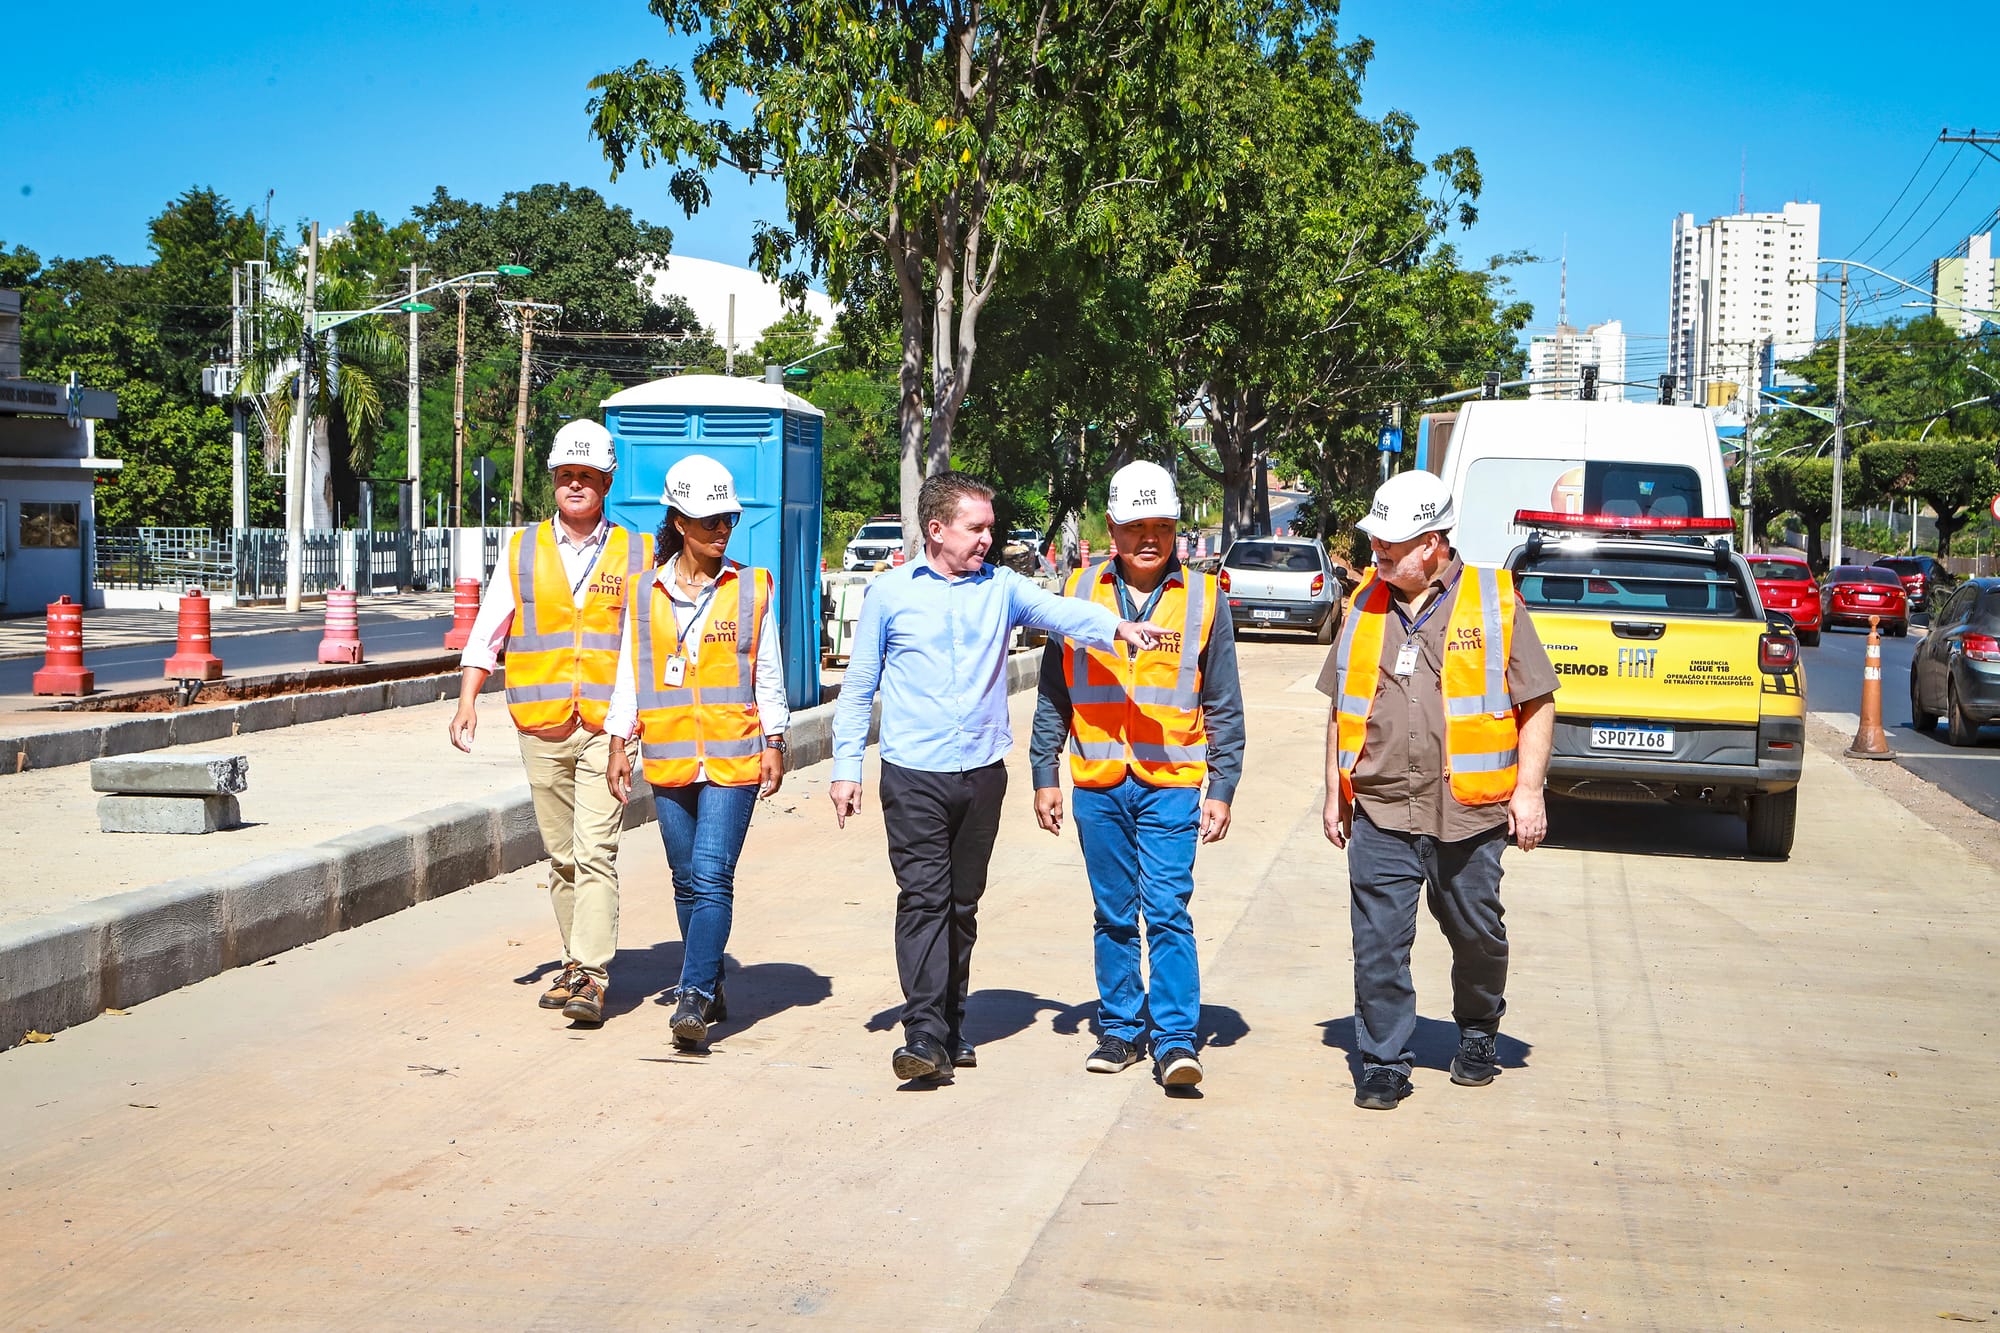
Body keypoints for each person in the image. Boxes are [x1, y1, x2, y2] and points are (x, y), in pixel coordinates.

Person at [829, 470, 1168, 1084]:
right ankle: (924, 1032)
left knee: (961, 905)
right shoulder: (890, 593)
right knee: (924, 899)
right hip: (913, 775)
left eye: (990, 527)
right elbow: (858, 688)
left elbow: (1060, 611)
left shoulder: (1003, 588)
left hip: (982, 773)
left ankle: (952, 1022)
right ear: (937, 529)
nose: (988, 538)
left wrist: (1115, 627)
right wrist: (846, 766)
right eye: (976, 527)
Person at [1318, 469, 1558, 1110]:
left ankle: (1478, 1027)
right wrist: (1332, 791)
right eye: (1377, 543)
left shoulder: (1493, 598)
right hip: (1382, 806)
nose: (1379, 553)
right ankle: (1385, 1058)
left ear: (1431, 543)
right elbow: (1341, 705)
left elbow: (1537, 702)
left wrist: (1529, 792)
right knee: (1377, 945)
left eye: (1392, 545)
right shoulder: (1365, 603)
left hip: (1469, 813)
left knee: (1476, 935)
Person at [1030, 461, 1245, 1089]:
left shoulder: (1206, 599)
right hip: (1098, 779)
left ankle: (1176, 1040)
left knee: (1169, 910)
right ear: (1113, 527)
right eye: (1133, 527)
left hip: (1172, 780)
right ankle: (1121, 1030)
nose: (1147, 538)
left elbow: (1224, 702)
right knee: (1113, 914)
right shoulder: (1076, 591)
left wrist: (1223, 787)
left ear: (1177, 526)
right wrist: (1045, 771)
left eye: (1160, 525)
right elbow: (1053, 692)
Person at [448, 418, 653, 1025]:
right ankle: (572, 960)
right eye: (567, 475)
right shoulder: (522, 549)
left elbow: (652, 637)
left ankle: (591, 974)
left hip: (607, 728)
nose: (576, 485)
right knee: (562, 855)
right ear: (554, 481)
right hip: (541, 724)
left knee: (596, 851)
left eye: (587, 476)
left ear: (606, 482)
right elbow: (489, 629)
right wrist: (467, 700)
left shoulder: (639, 552)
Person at [604, 455, 789, 1052]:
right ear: (679, 521)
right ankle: (709, 979)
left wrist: (776, 739)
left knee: (712, 875)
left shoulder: (752, 587)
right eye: (709, 521)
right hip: (669, 755)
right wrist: (618, 740)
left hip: (734, 758)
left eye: (727, 520)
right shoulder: (643, 592)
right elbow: (631, 676)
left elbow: (768, 672)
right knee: (685, 881)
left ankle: (692, 994)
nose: (721, 531)